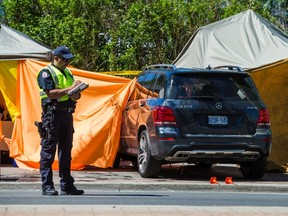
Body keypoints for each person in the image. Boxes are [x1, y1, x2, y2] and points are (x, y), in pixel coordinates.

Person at [37, 46, 84, 196]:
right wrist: (70, 88)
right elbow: (50, 94)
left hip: (67, 115)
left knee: (66, 152)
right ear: (55, 58)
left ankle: (67, 185)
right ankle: (47, 185)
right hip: (52, 115)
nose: (67, 62)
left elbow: (75, 97)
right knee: (48, 152)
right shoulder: (46, 73)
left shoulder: (68, 72)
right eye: (65, 60)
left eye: (69, 60)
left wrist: (77, 91)